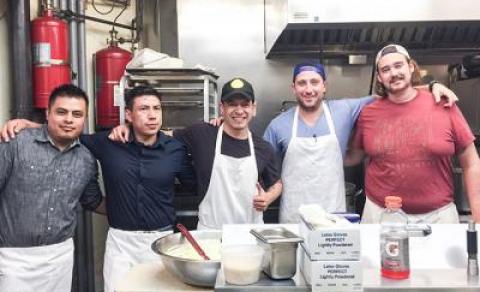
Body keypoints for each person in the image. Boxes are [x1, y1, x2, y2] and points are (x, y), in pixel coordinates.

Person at [1, 85, 197, 292]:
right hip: (121, 243)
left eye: (157, 108)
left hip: (161, 241)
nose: (152, 115)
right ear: (129, 115)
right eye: (143, 109)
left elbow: (197, 186)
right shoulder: (107, 143)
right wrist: (30, 126)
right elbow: (68, 133)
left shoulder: (175, 149)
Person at [263, 61, 459, 223]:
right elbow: (264, 169)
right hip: (293, 218)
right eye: (302, 83)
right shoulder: (278, 125)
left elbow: (392, 92)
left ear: (324, 86)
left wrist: (432, 86)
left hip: (334, 217)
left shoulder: (343, 110)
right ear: (293, 88)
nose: (309, 89)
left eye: (314, 82)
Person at [109, 78, 283, 229]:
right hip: (210, 233)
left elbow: (277, 183)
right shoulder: (201, 134)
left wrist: (268, 197)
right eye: (232, 104)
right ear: (222, 108)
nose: (239, 110)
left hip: (249, 233)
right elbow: (160, 135)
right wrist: (129, 127)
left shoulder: (263, 148)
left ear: (254, 108)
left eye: (245, 104)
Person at [0, 84, 103, 292]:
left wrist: (135, 213)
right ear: (48, 113)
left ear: (84, 119)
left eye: (77, 115)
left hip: (59, 258)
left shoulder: (86, 159)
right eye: (61, 112)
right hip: (13, 258)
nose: (69, 120)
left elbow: (92, 201)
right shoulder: (15, 143)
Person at [346, 44, 480, 223]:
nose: (393, 73)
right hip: (380, 215)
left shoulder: (443, 103)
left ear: (411, 67)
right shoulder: (368, 113)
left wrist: (478, 216)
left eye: (398, 65)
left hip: (438, 217)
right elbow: (354, 156)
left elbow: (471, 162)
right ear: (379, 78)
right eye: (386, 70)